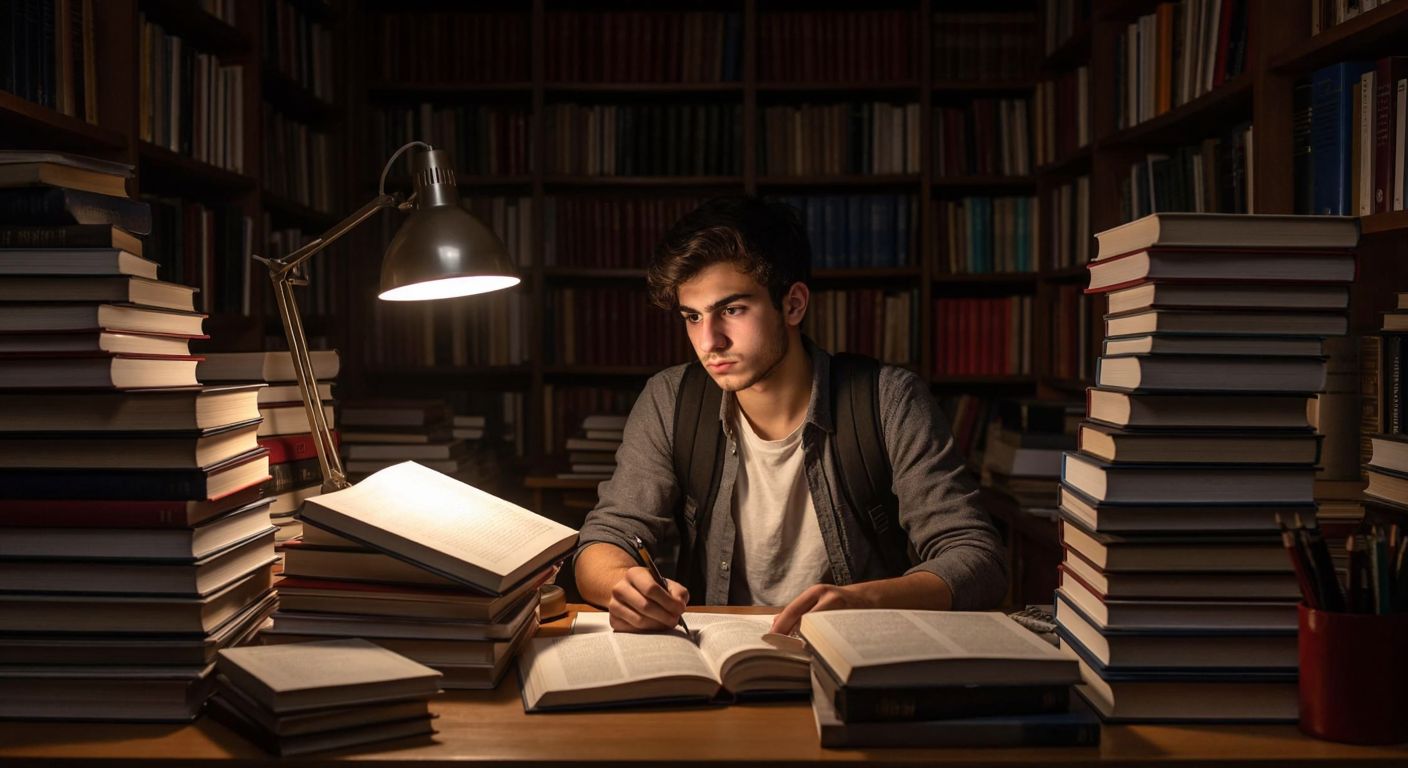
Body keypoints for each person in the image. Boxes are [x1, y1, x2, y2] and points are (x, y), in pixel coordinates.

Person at [573, 196, 1008, 636]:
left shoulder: (890, 399)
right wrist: (622, 586)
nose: (709, 341)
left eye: (732, 310)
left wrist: (864, 600)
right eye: (692, 317)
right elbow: (604, 539)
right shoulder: (670, 398)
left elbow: (977, 557)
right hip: (716, 659)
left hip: (859, 656)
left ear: (794, 304)